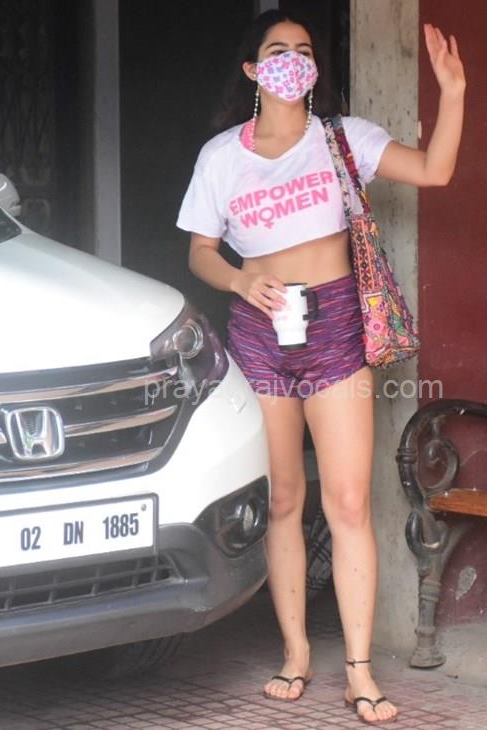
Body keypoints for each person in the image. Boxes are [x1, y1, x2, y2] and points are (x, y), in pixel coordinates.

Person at [176, 9, 465, 725]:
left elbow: (434, 171)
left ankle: (359, 669)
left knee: (348, 501)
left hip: (336, 323)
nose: (292, 60)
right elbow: (200, 252)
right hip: (258, 328)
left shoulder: (342, 138)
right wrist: (241, 279)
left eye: (303, 50)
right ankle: (296, 652)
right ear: (252, 69)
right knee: (282, 499)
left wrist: (453, 93)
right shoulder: (221, 156)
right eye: (277, 50)